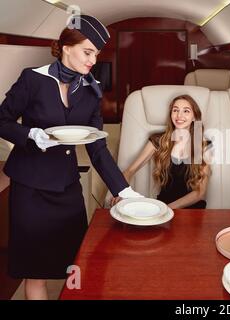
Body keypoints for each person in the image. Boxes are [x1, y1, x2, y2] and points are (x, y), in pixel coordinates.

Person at [0, 15, 142, 299]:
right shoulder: (33, 79)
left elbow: (98, 147)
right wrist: (30, 135)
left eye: (96, 54)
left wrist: (123, 190)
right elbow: (2, 120)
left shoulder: (91, 90)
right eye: (87, 52)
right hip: (30, 188)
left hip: (67, 188)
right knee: (36, 271)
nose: (93, 60)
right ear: (66, 46)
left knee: (76, 265)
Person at [112, 94, 211, 209]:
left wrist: (168, 209)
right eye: (175, 110)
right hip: (162, 207)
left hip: (192, 212)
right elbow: (129, 171)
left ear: (194, 117)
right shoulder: (159, 140)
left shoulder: (203, 146)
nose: (179, 115)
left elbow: (199, 193)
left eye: (186, 111)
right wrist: (121, 192)